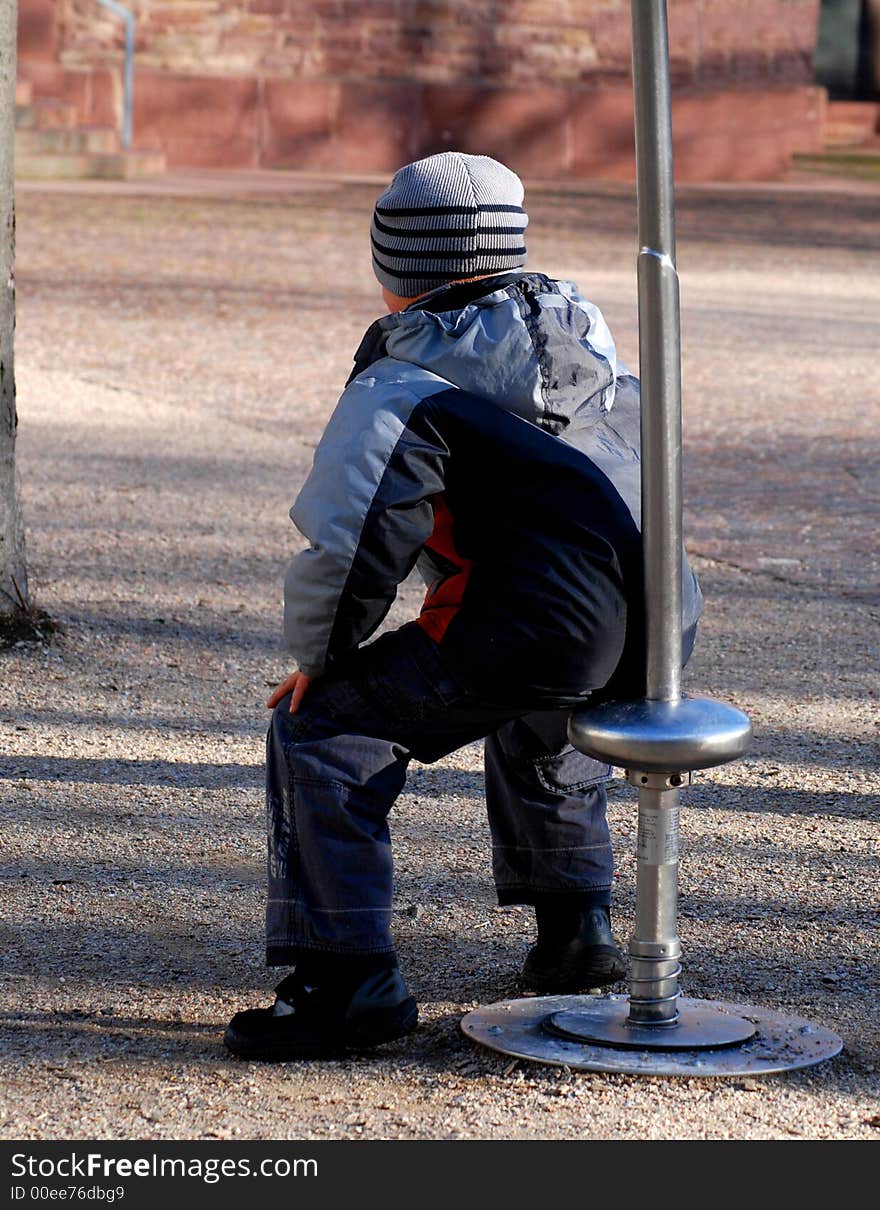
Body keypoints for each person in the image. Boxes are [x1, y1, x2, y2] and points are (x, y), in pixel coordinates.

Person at [225, 152, 702, 1061]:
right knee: (541, 714)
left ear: (393, 269)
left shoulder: (405, 384)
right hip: (660, 619)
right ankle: (577, 931)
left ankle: (346, 981)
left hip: (541, 621)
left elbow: (355, 535)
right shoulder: (588, 352)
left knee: (323, 730)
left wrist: (319, 659)